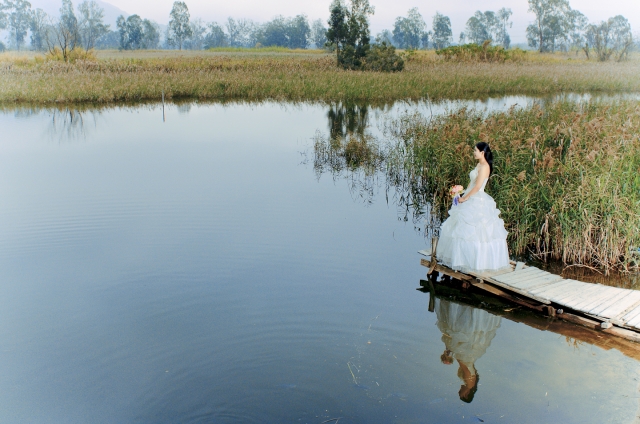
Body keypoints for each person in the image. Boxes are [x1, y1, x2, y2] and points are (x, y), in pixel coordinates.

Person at [436, 142, 510, 273]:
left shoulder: (485, 167)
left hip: (478, 198)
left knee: (478, 231)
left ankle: (478, 262)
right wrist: (461, 193)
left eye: (475, 150)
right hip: (470, 194)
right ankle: (461, 258)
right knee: (460, 229)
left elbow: (477, 187)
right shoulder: (478, 164)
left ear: (482, 152)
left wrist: (465, 198)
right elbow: (472, 183)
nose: (473, 152)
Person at [436, 298, 502, 403]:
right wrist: (453, 353)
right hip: (465, 357)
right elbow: (465, 366)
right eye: (460, 394)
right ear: (466, 395)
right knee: (461, 332)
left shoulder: (470, 383)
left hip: (467, 357)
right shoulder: (470, 383)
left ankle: (470, 308)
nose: (459, 392)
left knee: (464, 333)